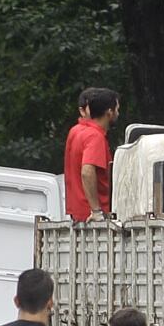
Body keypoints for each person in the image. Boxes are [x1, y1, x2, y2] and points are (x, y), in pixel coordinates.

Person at [63, 86, 118, 223]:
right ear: (109, 112)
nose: (118, 113)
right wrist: (96, 211)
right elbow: (87, 171)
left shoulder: (76, 131)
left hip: (78, 214)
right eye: (117, 109)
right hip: (93, 218)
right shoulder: (95, 136)